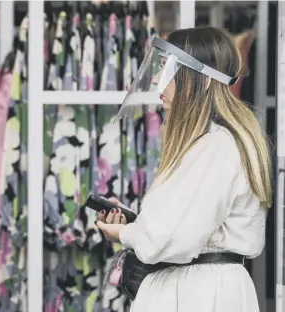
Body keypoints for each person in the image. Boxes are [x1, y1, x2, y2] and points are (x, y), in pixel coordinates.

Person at [95, 26, 271, 312]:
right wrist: (138, 224)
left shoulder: (215, 147)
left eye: (166, 69)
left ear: (198, 81)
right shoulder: (212, 143)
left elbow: (170, 240)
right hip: (199, 287)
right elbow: (186, 225)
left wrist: (126, 234)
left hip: (198, 294)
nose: (155, 79)